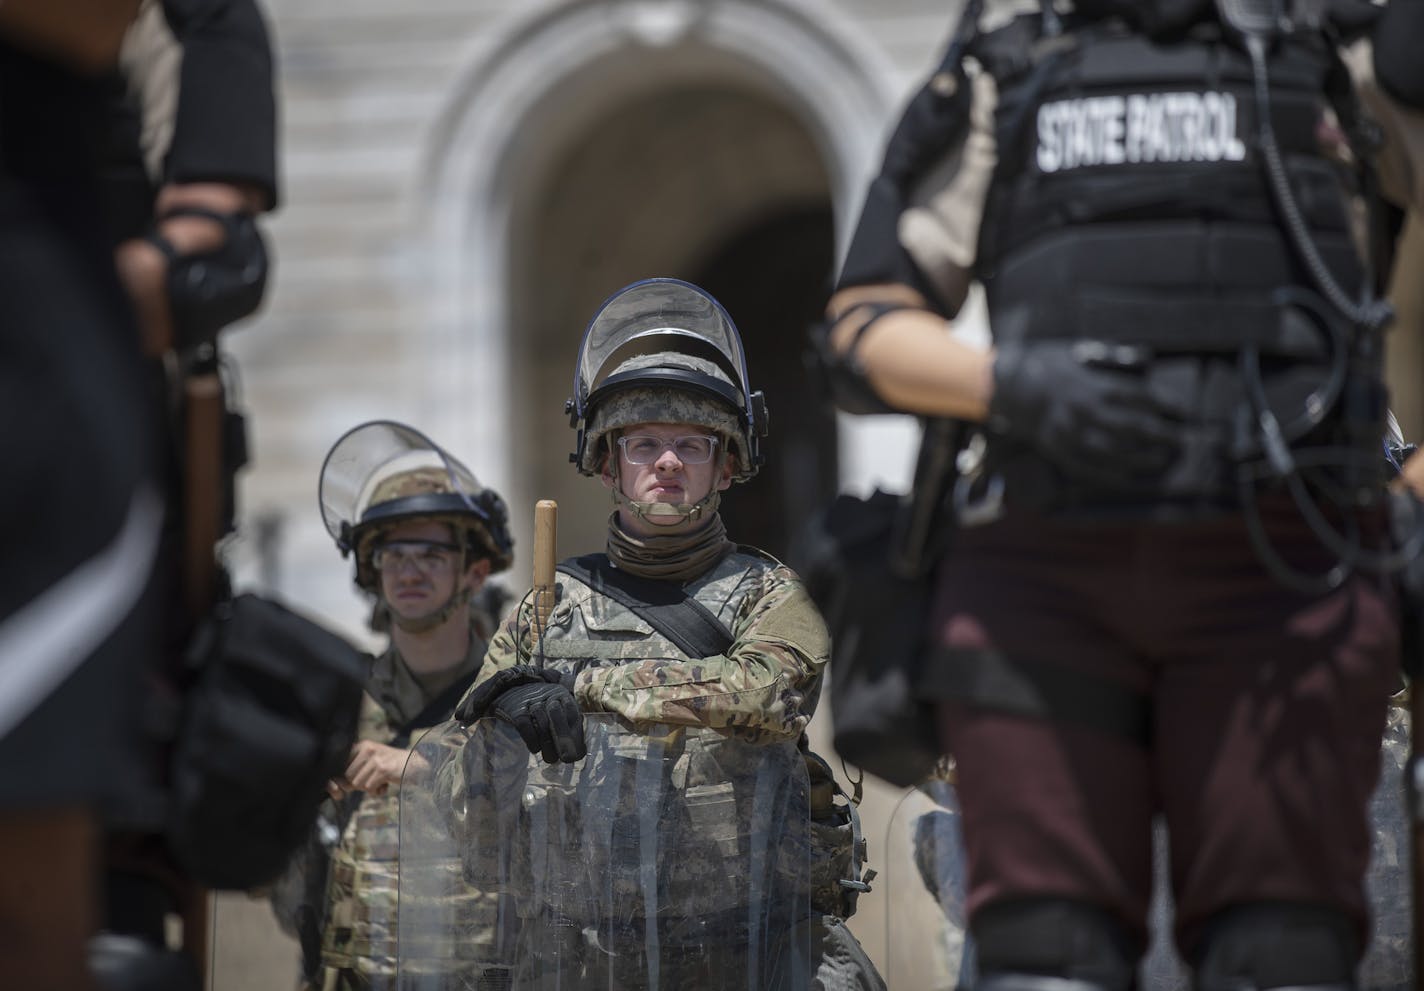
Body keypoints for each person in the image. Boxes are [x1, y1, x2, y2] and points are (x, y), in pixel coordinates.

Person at [817, 1, 1424, 989]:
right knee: (1041, 958)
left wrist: (1405, 496)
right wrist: (1008, 385)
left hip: (1283, 580)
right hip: (1044, 581)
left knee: (1281, 953)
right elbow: (860, 323)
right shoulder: (1008, 67)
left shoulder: (1340, 60)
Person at [445, 278, 884, 989]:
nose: (669, 462)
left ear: (730, 463)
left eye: (692, 444)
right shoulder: (544, 611)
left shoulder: (770, 594)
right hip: (583, 955)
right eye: (645, 443)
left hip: (743, 946)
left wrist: (583, 688)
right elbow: (457, 794)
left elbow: (767, 693)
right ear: (608, 462)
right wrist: (499, 736)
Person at [270, 421, 517, 990]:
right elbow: (285, 896)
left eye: (431, 553)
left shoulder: (513, 699)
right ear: (371, 569)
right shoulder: (332, 703)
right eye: (392, 553)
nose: (408, 570)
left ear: (475, 571)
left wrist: (426, 766)